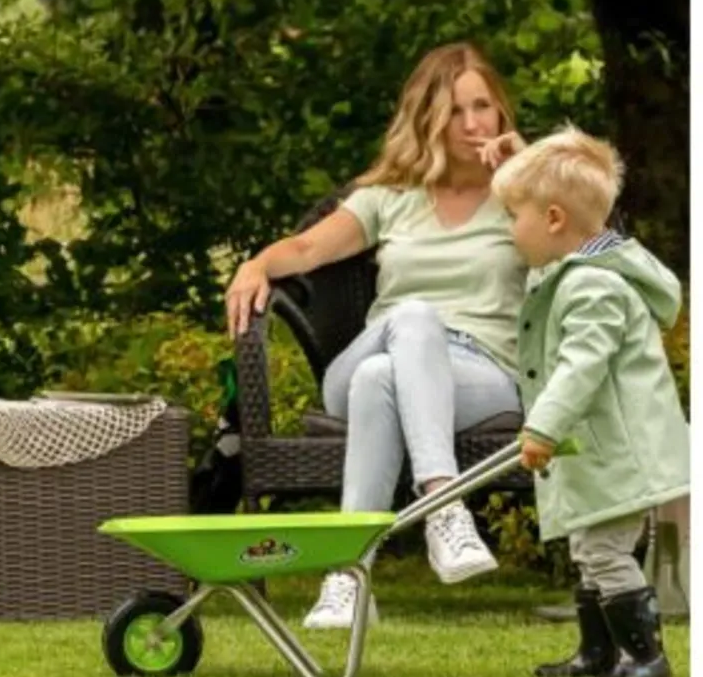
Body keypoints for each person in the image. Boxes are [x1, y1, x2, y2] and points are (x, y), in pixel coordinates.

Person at [225, 41, 530, 629]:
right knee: (412, 320)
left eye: (482, 107)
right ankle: (444, 505)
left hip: (483, 374)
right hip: (391, 338)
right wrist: (255, 265)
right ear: (428, 120)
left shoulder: (522, 196)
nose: (472, 124)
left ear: (501, 112)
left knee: (378, 379)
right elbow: (307, 249)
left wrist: (531, 170)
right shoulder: (390, 197)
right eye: (454, 111)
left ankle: (348, 576)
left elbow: (584, 240)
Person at [491, 125, 689, 677]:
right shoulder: (577, 274)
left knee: (603, 550)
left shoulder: (593, 288)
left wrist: (543, 426)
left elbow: (582, 365)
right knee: (589, 545)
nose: (510, 229)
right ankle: (598, 653)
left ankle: (646, 660)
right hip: (602, 451)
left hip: (621, 453)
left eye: (514, 216)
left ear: (554, 219)